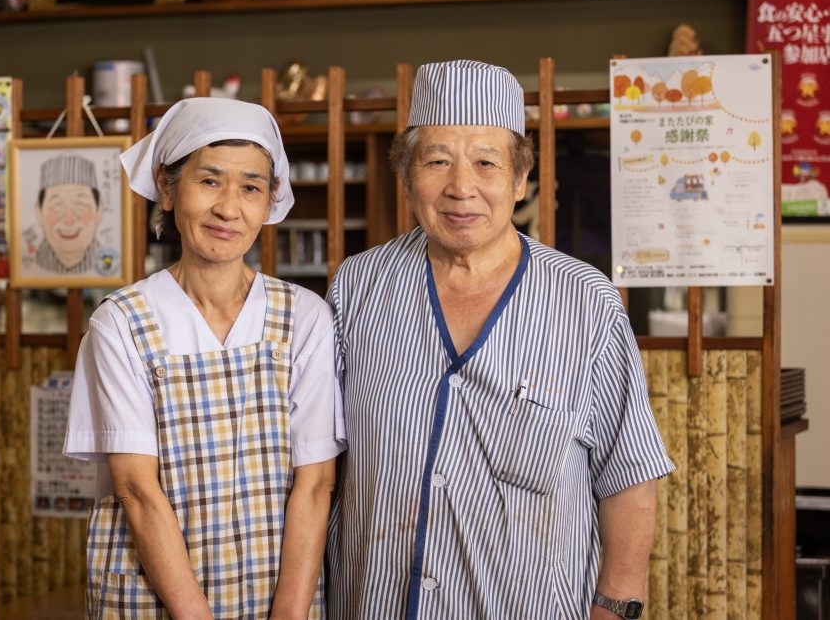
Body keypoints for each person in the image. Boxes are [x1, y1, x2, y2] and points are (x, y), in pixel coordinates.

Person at [325, 60, 674, 620]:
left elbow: (627, 473)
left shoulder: (585, 300)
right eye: (437, 161)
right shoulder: (359, 285)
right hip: (376, 601)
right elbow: (323, 458)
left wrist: (615, 607)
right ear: (407, 175)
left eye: (486, 162)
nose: (461, 187)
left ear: (518, 180)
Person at [64, 97, 345, 619]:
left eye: (251, 187)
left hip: (278, 591)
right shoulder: (121, 322)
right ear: (168, 191)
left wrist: (288, 615)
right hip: (153, 595)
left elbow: (315, 484)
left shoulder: (304, 318)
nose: (229, 208)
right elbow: (136, 489)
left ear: (270, 201)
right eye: (209, 181)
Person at [33, 154, 104, 274]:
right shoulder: (31, 265)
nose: (69, 219)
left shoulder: (107, 261)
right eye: (57, 206)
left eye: (80, 204)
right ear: (39, 212)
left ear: (99, 210)